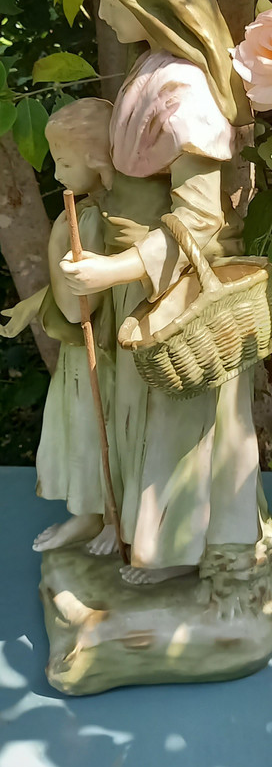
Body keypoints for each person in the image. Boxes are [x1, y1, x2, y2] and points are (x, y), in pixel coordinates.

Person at [59, 0, 265, 586]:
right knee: (140, 414)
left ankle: (176, 548)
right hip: (134, 277)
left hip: (172, 292)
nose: (100, 8)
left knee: (182, 423)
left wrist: (117, 265)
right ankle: (132, 534)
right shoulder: (151, 68)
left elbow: (199, 222)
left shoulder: (185, 91)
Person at [1, 98, 119, 553]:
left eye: (64, 162)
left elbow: (76, 310)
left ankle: (113, 518)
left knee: (103, 434)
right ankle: (88, 516)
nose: (55, 175)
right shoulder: (91, 214)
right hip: (80, 354)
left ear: (97, 160)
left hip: (105, 355)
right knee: (81, 434)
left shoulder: (95, 223)